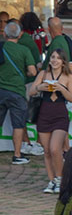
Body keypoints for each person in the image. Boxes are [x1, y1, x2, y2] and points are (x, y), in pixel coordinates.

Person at [30, 49, 72, 193]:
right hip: (44, 114)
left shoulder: (69, 76)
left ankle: (60, 179)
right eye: (53, 57)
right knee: (47, 151)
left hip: (60, 115)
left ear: (63, 62)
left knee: (55, 148)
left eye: (58, 58)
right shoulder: (43, 74)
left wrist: (61, 88)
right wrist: (39, 87)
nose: (55, 60)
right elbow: (31, 91)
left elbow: (71, 97)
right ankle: (51, 181)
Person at [1, 21, 38, 165]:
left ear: (4, 34)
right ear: (20, 34)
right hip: (17, 91)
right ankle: (17, 155)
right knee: (18, 124)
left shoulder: (1, 47)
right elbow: (33, 71)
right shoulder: (24, 50)